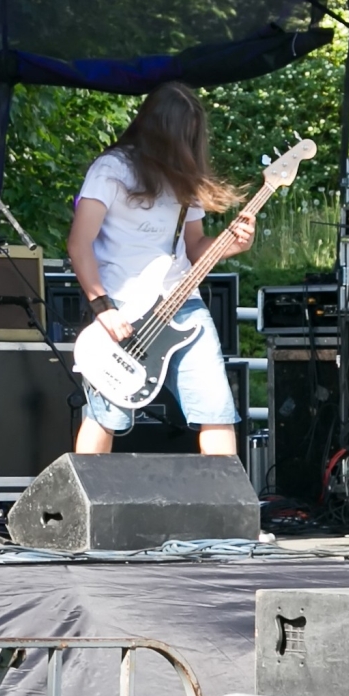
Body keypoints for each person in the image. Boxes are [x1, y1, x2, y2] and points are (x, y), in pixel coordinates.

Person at [67, 82, 254, 456]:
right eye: (183, 136)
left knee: (216, 409)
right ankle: (82, 494)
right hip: (122, 307)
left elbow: (195, 246)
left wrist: (230, 245)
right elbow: (78, 243)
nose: (188, 146)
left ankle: (223, 494)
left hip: (183, 303)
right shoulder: (111, 170)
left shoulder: (184, 179)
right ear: (159, 129)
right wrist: (103, 307)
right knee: (106, 415)